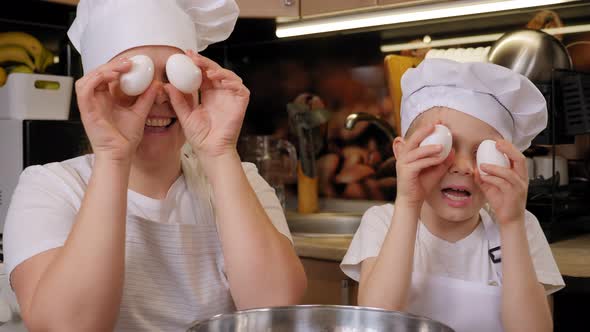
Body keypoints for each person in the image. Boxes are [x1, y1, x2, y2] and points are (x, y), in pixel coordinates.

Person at [2, 0, 307, 331]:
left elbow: (277, 310)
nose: (160, 95)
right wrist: (113, 157)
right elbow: (68, 326)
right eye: (135, 75)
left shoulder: (239, 178)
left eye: (174, 73)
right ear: (95, 89)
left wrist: (219, 153)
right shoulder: (51, 187)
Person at [340, 58, 565, 332]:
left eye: (482, 152)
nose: (464, 167)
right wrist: (408, 203)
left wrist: (511, 223)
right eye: (444, 148)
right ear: (403, 153)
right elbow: (376, 321)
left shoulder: (522, 227)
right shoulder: (382, 222)